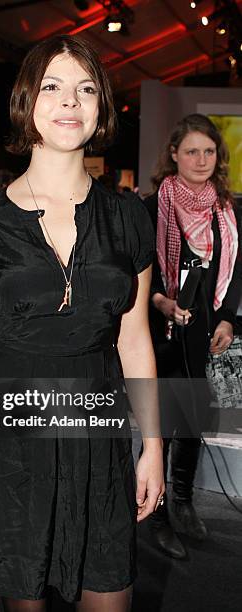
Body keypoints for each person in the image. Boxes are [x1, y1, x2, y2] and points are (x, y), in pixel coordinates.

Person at [0, 35, 164, 612]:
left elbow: (135, 340)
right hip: (9, 440)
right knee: (24, 599)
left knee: (110, 591)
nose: (70, 101)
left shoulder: (127, 216)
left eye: (85, 88)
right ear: (27, 101)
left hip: (99, 433)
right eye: (52, 86)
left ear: (101, 109)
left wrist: (152, 442)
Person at [144, 114, 241, 559]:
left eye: (208, 151)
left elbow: (237, 271)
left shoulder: (229, 208)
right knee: (161, 426)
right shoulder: (152, 206)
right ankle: (158, 511)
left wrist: (227, 320)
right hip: (161, 330)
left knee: (192, 420)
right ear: (174, 156)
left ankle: (182, 503)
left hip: (204, 328)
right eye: (191, 151)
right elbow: (136, 275)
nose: (201, 160)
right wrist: (161, 302)